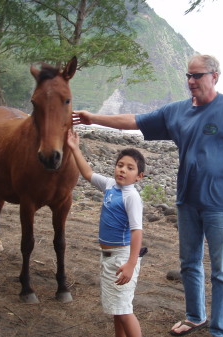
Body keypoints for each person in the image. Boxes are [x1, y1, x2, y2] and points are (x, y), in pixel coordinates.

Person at [72, 54, 223, 337]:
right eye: (188, 76)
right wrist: (93, 118)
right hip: (186, 201)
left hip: (220, 204)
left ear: (214, 77)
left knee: (222, 270)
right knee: (189, 263)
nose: (191, 81)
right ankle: (195, 316)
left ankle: (221, 330)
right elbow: (133, 121)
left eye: (198, 76)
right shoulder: (177, 112)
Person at [67, 130, 146, 337]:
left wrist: (130, 263)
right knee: (116, 309)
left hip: (122, 257)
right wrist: (75, 148)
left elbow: (137, 231)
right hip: (109, 257)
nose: (122, 170)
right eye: (120, 165)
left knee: (125, 311)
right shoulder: (111, 185)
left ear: (139, 176)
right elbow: (87, 174)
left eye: (130, 168)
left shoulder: (131, 197)